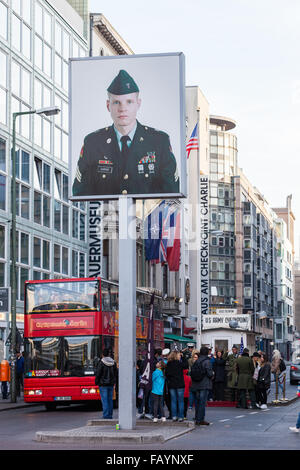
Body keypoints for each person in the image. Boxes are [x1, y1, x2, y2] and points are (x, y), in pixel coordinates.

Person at [72, 69, 180, 197]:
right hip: (106, 216)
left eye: (129, 102)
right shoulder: (93, 143)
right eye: (116, 102)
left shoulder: (159, 141)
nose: (122, 108)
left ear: (138, 104)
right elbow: (80, 194)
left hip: (148, 216)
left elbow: (172, 194)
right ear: (108, 105)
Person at [190, 346, 214, 425]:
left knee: (197, 402)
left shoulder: (197, 360)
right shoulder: (207, 361)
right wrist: (213, 374)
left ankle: (197, 418)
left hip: (196, 384)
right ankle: (200, 419)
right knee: (202, 402)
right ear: (207, 353)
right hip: (204, 384)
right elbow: (210, 374)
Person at [95, 348, 118, 419]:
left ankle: (105, 415)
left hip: (102, 384)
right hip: (111, 384)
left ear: (102, 354)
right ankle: (110, 415)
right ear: (109, 354)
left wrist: (96, 382)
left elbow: (98, 373)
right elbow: (116, 373)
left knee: (104, 400)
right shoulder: (113, 362)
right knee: (110, 400)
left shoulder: (101, 362)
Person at [165, 350, 185, 422]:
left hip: (172, 384)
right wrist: (183, 357)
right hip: (180, 384)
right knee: (180, 401)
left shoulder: (168, 364)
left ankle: (174, 416)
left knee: (173, 401)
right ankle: (180, 417)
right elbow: (186, 366)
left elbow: (166, 374)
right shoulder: (179, 363)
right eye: (179, 355)